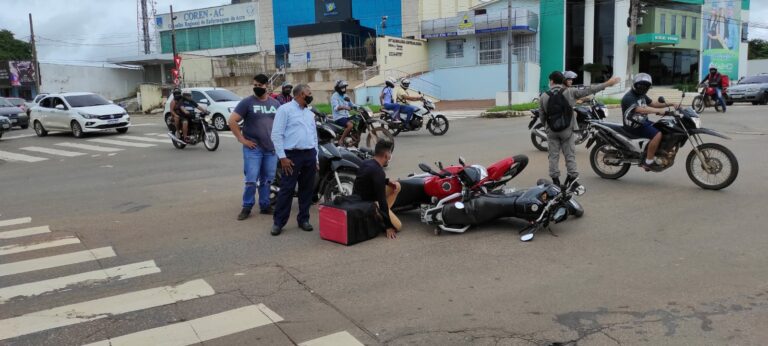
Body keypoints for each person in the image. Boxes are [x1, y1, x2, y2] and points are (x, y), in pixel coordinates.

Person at [540, 71, 620, 189]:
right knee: (570, 155)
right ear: (562, 81)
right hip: (567, 130)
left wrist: (547, 127)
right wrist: (607, 83)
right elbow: (590, 90)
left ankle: (555, 182)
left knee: (553, 156)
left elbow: (542, 116)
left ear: (551, 81)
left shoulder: (544, 96)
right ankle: (573, 180)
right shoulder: (570, 92)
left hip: (551, 130)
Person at [229, 74, 281, 220]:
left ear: (267, 86)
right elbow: (232, 121)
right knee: (251, 180)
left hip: (270, 149)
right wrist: (242, 140)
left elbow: (281, 124)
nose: (257, 88)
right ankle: (247, 206)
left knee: (267, 180)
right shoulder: (247, 102)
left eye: (260, 85)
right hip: (253, 149)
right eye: (255, 85)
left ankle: (265, 205)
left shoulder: (275, 104)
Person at [271, 84, 319, 236]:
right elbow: (276, 134)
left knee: (307, 190)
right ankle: (278, 222)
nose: (310, 96)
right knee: (287, 189)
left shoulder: (309, 113)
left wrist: (315, 157)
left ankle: (303, 219)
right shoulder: (285, 110)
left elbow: (314, 136)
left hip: (309, 154)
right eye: (308, 93)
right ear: (299, 95)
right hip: (291, 156)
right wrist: (282, 157)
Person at [621, 73, 675, 172]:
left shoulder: (641, 95)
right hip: (633, 125)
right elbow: (640, 109)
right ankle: (648, 162)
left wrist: (670, 103)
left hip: (642, 122)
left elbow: (653, 103)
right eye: (641, 85)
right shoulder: (629, 97)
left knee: (664, 127)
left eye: (645, 86)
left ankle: (657, 152)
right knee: (657, 135)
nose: (643, 88)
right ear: (635, 84)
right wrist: (658, 111)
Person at [353, 139, 401, 240]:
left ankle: (383, 213)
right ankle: (379, 214)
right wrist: (388, 226)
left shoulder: (367, 163)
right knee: (398, 226)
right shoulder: (378, 172)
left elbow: (371, 179)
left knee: (397, 185)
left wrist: (387, 182)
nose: (390, 157)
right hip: (368, 204)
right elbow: (381, 200)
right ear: (386, 155)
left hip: (359, 198)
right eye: (390, 153)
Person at [331, 80, 355, 146]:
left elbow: (352, 104)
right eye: (342, 87)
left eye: (344, 87)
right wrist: (345, 107)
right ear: (338, 88)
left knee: (356, 121)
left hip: (346, 116)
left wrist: (359, 107)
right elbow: (336, 108)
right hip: (339, 117)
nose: (344, 89)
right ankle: (341, 140)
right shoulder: (334, 96)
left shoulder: (345, 95)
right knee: (350, 125)